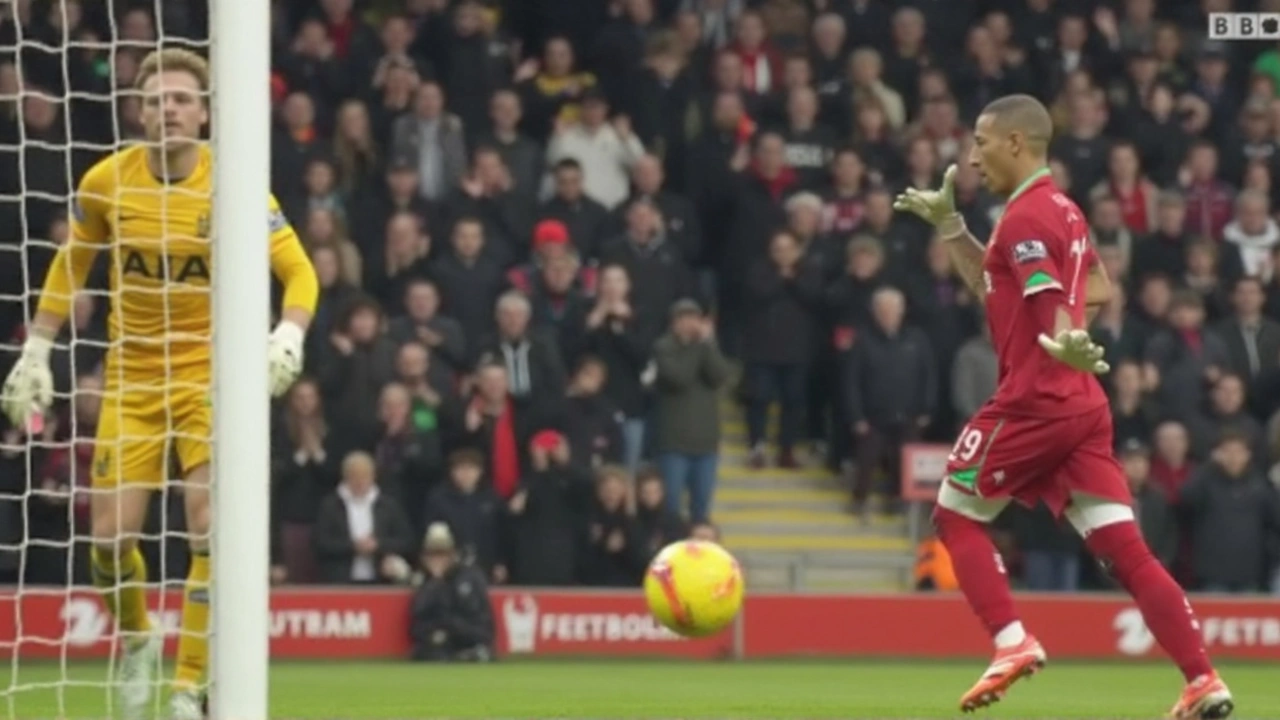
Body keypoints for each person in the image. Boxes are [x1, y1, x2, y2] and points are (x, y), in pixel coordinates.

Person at [0, 49, 319, 720]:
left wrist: (288, 333)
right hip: (131, 380)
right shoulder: (105, 183)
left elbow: (300, 273)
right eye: (154, 100)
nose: (166, 109)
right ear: (138, 110)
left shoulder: (235, 185)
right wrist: (36, 350)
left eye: (179, 98)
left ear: (204, 112)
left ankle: (188, 688)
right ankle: (140, 639)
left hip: (210, 381)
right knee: (111, 542)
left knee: (209, 528)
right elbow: (71, 264)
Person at [894, 94, 1232, 720]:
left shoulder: (1024, 219)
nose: (971, 157)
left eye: (981, 142)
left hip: (1035, 400)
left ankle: (1010, 640)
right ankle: (1202, 680)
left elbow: (1046, 292)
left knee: (954, 513)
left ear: (1016, 143)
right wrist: (952, 230)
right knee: (1127, 552)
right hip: (1082, 405)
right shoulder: (1065, 212)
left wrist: (1060, 339)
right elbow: (1086, 287)